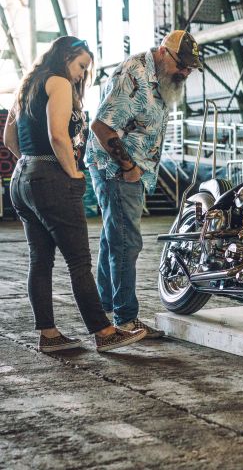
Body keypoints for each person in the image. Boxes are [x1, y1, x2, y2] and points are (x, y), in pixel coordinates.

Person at [3, 36, 147, 353]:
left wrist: (31, 164)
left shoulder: (28, 84)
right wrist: (71, 172)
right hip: (52, 179)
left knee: (40, 261)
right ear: (66, 57)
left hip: (23, 178)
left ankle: (50, 335)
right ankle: (104, 331)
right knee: (79, 262)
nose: (82, 74)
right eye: (81, 66)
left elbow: (9, 137)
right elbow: (58, 135)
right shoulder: (58, 82)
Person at [86, 30, 202, 334]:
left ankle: (104, 306)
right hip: (115, 168)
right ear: (163, 52)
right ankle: (125, 319)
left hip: (132, 169)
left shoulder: (162, 79)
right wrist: (128, 167)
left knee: (114, 237)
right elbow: (100, 124)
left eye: (190, 67)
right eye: (182, 65)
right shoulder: (134, 73)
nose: (186, 72)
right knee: (127, 242)